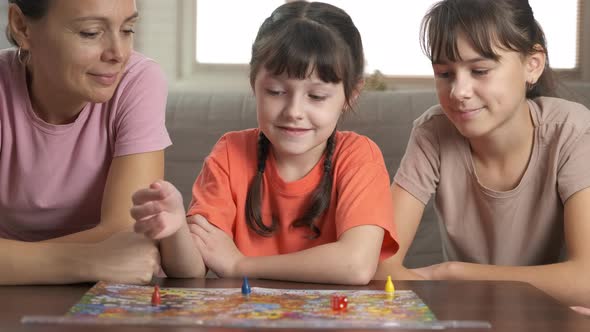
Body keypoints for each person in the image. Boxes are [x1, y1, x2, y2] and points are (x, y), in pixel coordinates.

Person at [131, 1, 398, 285]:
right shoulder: (230, 153)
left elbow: (355, 265)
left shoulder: (359, 157)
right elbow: (193, 268)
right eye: (276, 91)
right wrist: (175, 231)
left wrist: (240, 264)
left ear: (351, 95)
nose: (294, 111)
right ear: (253, 84)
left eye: (316, 96)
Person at [376, 0, 590, 309]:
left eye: (480, 70)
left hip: (552, 314)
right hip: (472, 313)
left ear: (532, 64)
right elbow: (382, 264)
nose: (458, 91)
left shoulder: (572, 129)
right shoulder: (432, 132)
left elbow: (585, 281)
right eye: (444, 73)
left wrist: (456, 274)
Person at [0, 0, 171, 284]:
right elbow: (114, 252)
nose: (118, 54)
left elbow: (126, 231)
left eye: (128, 29)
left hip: (112, 294)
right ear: (22, 26)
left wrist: (14, 262)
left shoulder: (138, 81)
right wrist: (89, 260)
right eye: (91, 33)